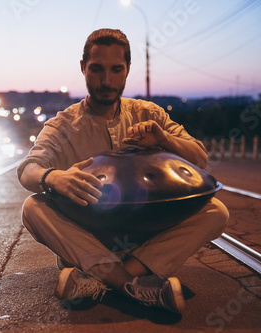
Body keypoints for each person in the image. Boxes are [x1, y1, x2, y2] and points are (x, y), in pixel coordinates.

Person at [17, 28, 229, 314]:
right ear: (83, 68)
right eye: (97, 69)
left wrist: (164, 139)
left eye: (116, 69)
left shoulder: (150, 114)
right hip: (91, 236)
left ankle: (99, 279)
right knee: (33, 207)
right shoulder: (63, 125)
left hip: (147, 234)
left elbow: (200, 158)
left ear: (128, 69)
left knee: (216, 211)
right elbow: (28, 169)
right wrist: (54, 177)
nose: (107, 81)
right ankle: (136, 284)